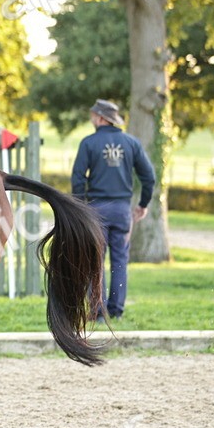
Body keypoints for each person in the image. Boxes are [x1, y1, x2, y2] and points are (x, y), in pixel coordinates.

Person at [71, 99, 156, 320]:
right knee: (119, 260)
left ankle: (99, 312)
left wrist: (81, 207)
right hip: (122, 210)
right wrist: (143, 204)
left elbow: (78, 179)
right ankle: (117, 311)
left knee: (95, 261)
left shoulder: (88, 143)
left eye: (93, 115)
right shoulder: (131, 143)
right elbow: (149, 177)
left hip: (96, 210)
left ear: (100, 118)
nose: (91, 119)